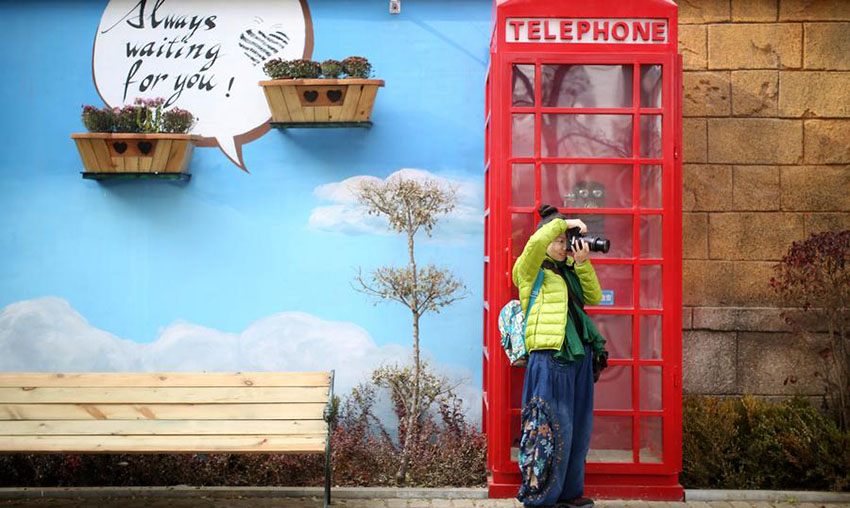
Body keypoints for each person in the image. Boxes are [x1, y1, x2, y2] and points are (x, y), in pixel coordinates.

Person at [513, 204, 609, 508]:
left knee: (577, 428)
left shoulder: (569, 270)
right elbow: (535, 244)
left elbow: (593, 296)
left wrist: (582, 263)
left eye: (565, 241)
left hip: (580, 356)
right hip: (550, 355)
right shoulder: (529, 270)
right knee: (551, 425)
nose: (562, 245)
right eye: (558, 240)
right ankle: (542, 497)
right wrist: (563, 223)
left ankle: (568, 493)